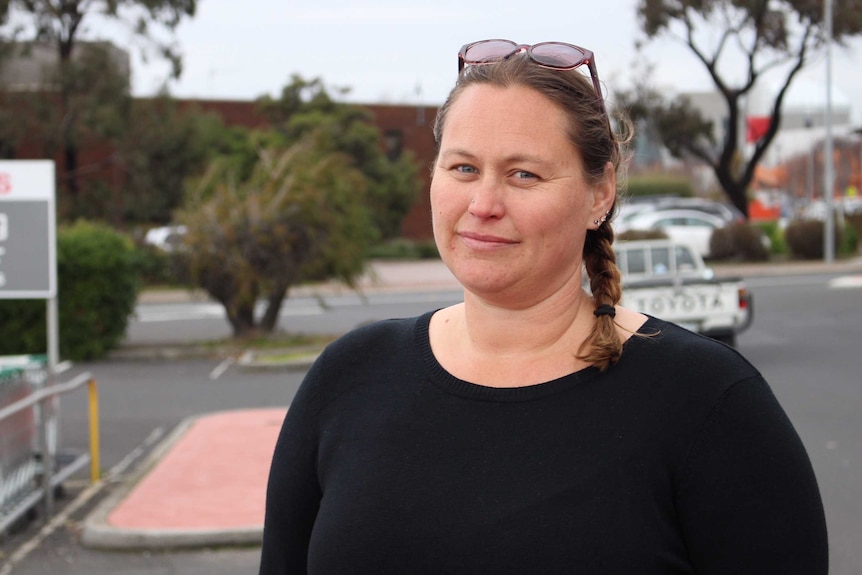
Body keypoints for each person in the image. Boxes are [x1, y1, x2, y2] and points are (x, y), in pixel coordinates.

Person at [259, 40, 828, 574]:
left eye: (523, 174)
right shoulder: (348, 377)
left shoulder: (709, 400)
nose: (482, 204)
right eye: (463, 168)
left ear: (599, 195)